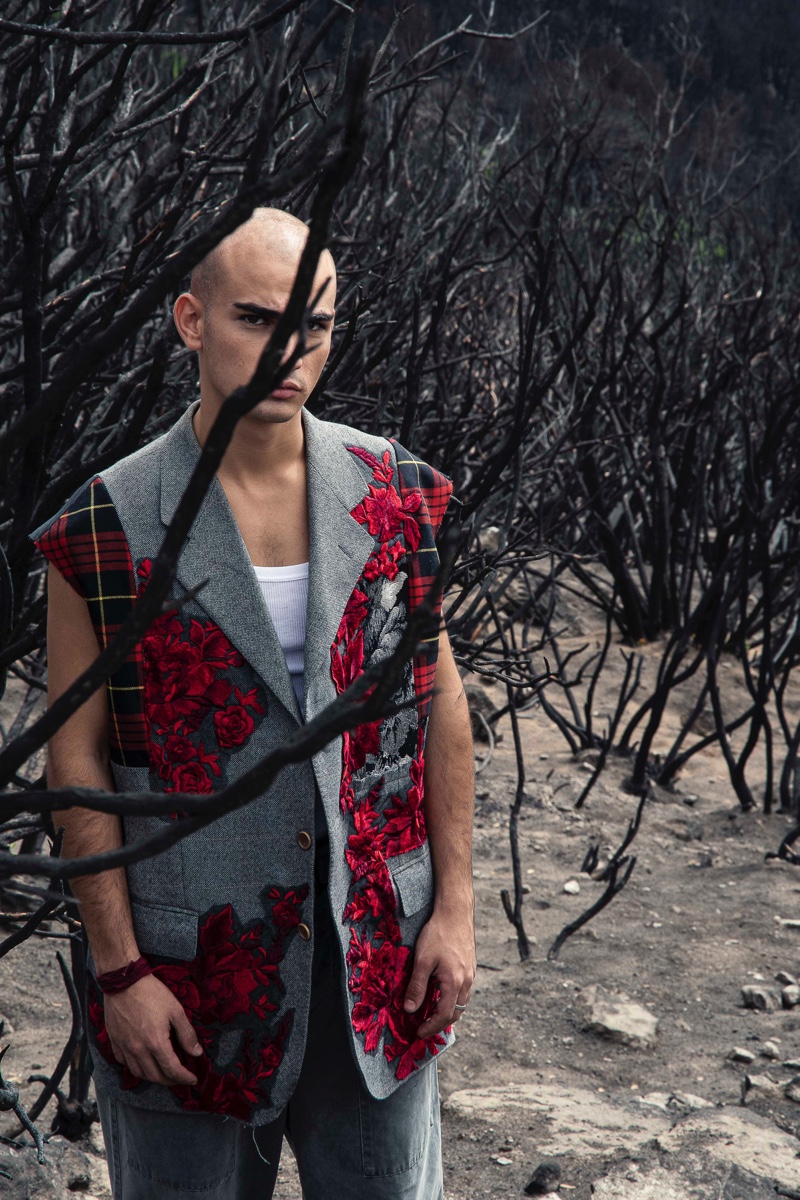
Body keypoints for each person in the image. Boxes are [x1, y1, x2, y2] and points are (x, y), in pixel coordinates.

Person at [34, 209, 476, 1198]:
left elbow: (438, 704)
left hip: (377, 962)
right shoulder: (103, 525)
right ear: (191, 321)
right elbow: (76, 759)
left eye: (312, 325)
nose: (289, 352)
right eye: (256, 319)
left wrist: (453, 909)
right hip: (188, 976)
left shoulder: (396, 494)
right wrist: (120, 971)